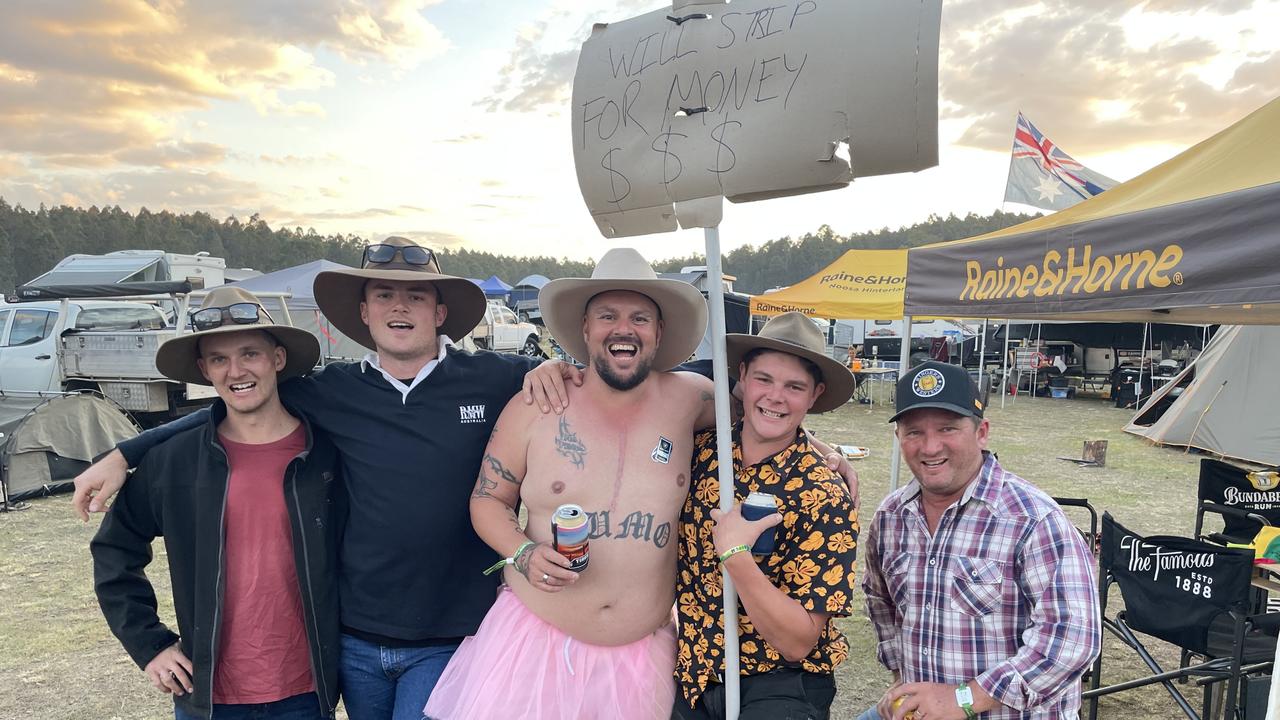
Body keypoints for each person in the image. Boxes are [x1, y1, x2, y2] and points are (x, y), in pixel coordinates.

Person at [75, 237, 577, 720]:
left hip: (453, 631)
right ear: (364, 312)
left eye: (415, 295)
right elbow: (231, 405)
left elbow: (584, 383)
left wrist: (555, 365)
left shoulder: (499, 377)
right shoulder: (331, 391)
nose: (398, 307)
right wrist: (124, 453)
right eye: (383, 295)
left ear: (439, 312)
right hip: (355, 638)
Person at [423, 247, 718, 720]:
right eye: (607, 315)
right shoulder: (538, 404)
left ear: (659, 333)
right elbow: (487, 500)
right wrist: (521, 551)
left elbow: (765, 412)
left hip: (643, 659)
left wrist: (821, 449)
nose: (624, 329)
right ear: (585, 330)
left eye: (640, 318)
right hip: (534, 647)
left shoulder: (691, 399)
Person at [90, 287, 342, 720]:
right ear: (204, 370)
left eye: (250, 354)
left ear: (278, 359)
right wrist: (150, 644)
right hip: (208, 694)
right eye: (220, 359)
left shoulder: (325, 452)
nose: (236, 371)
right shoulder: (175, 460)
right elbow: (114, 550)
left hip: (304, 690)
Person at [859, 361, 1100, 720]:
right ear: (899, 438)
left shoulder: (1031, 519)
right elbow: (881, 602)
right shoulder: (891, 517)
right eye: (914, 432)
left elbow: (1071, 641)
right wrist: (901, 679)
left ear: (982, 431)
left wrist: (964, 699)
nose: (930, 446)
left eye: (947, 428)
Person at [673, 311, 859, 720]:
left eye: (794, 387)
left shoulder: (823, 494)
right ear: (742, 376)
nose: (775, 397)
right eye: (764, 379)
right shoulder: (702, 450)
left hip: (779, 684)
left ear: (815, 395)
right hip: (694, 675)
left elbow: (798, 642)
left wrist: (736, 555)